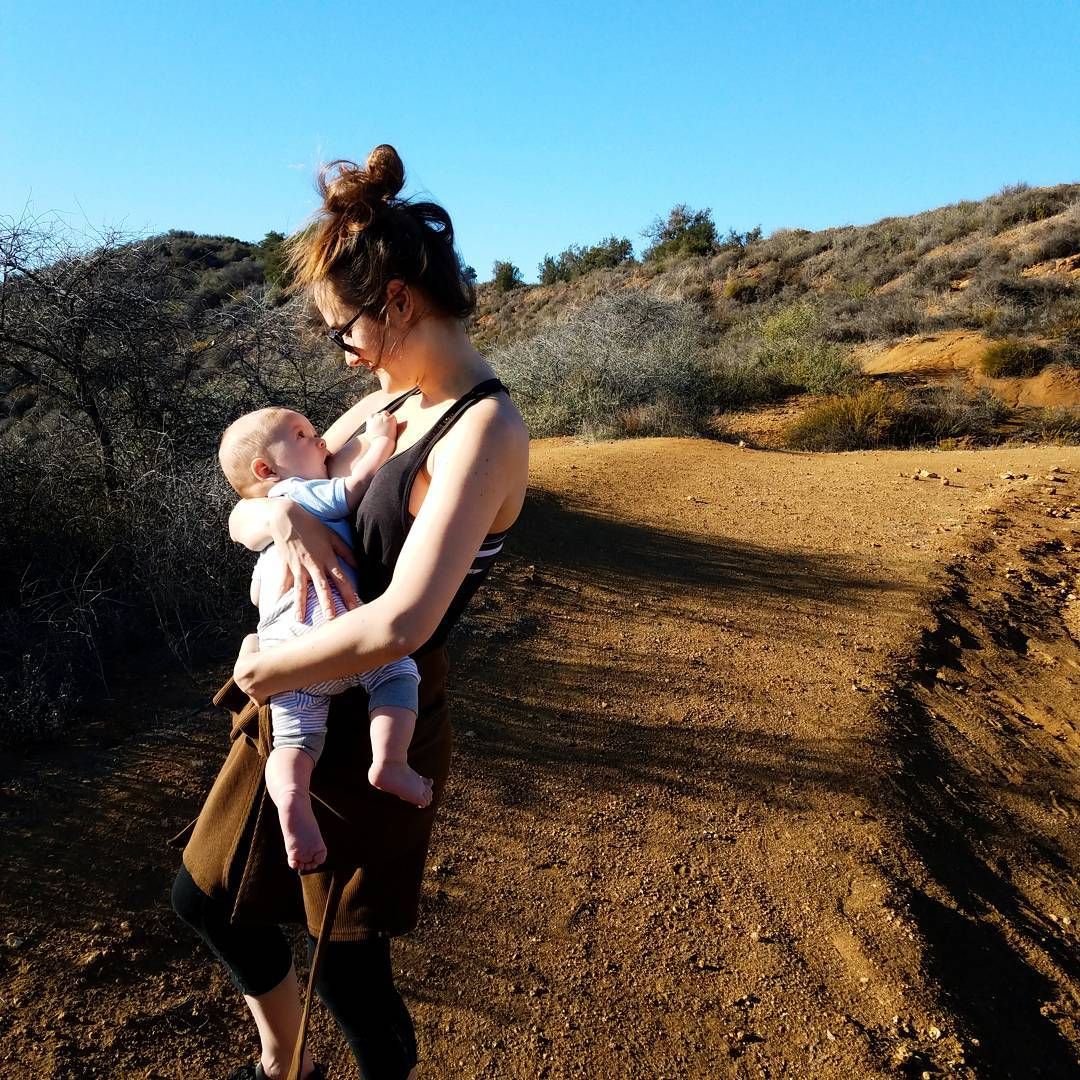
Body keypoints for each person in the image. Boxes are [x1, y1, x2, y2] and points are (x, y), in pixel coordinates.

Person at [171, 143, 529, 1080]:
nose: (346, 351)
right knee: (205, 897)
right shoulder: (386, 404)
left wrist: (268, 669)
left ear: (398, 302)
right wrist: (281, 516)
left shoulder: (484, 430)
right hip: (303, 688)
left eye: (344, 330)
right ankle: (280, 1061)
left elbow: (405, 621)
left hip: (377, 705)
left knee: (348, 964)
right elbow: (247, 507)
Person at [217, 404, 431, 876]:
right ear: (266, 471)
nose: (321, 442)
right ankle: (390, 761)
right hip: (336, 630)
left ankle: (293, 799)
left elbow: (256, 593)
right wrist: (380, 441)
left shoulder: (270, 530)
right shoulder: (299, 491)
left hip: (284, 654)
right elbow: (354, 489)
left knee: (293, 741)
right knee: (396, 673)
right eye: (302, 435)